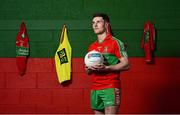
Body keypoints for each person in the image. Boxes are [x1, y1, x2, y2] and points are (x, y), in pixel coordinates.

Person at [85, 13, 130, 114]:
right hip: (95, 88)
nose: (95, 25)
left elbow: (126, 64)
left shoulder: (115, 42)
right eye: (93, 23)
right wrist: (89, 68)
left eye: (98, 22)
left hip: (110, 86)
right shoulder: (92, 46)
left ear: (106, 24)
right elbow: (87, 71)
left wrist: (107, 68)